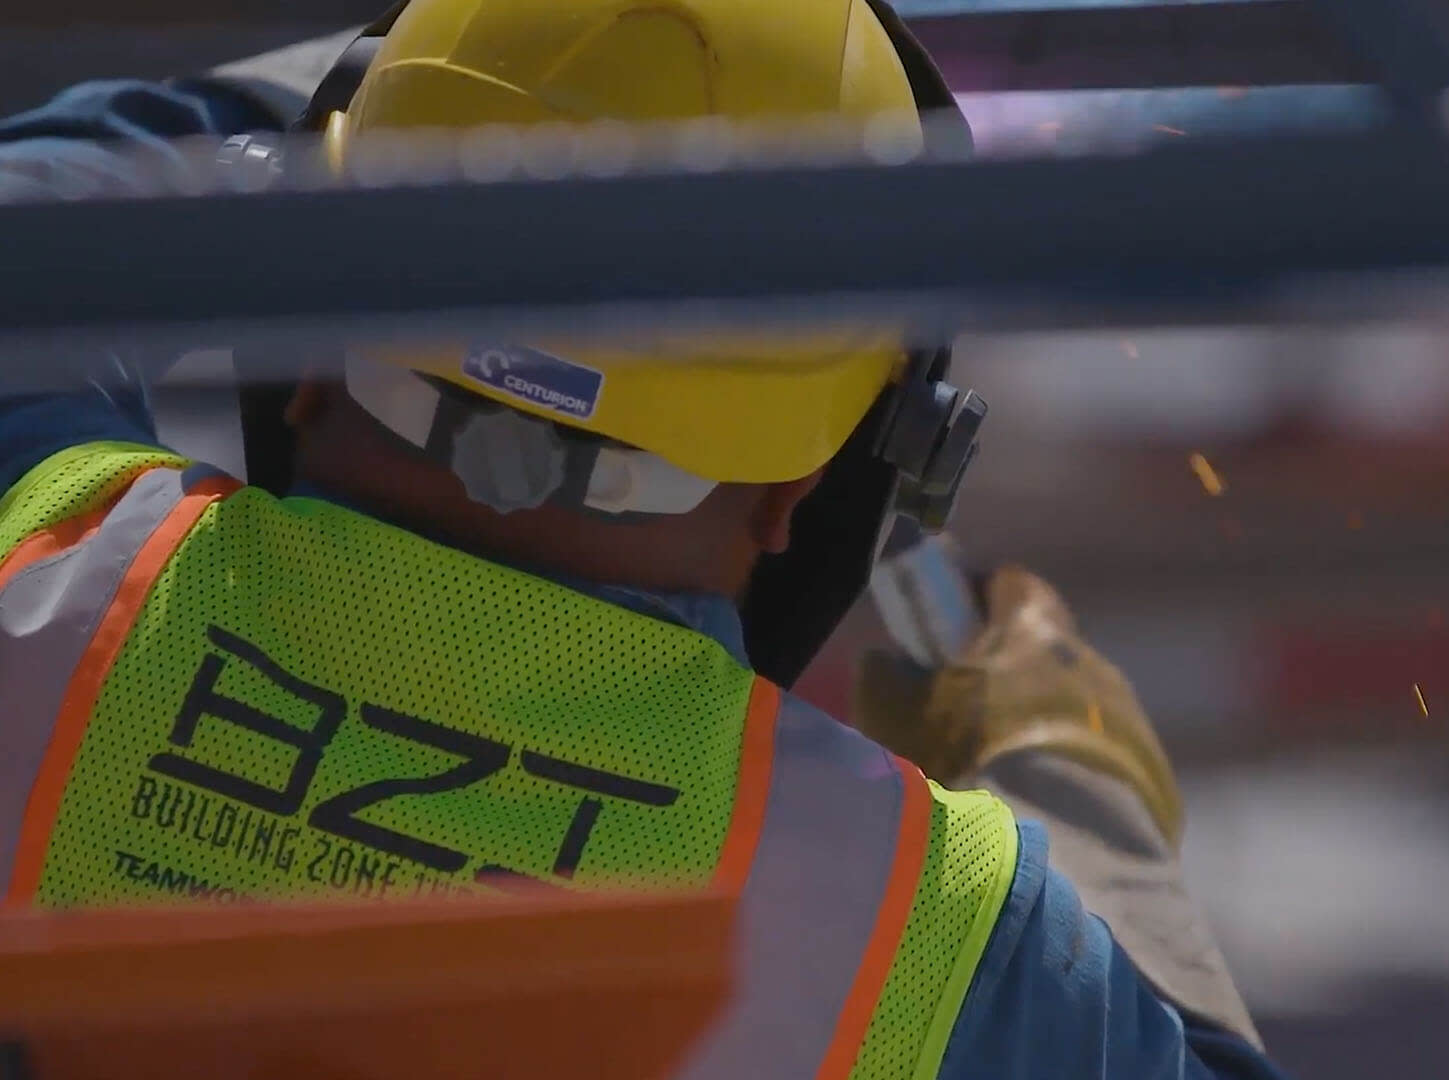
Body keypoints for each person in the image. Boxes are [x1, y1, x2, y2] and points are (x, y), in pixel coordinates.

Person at [0, 1, 1280, 1077]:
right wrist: (1079, 796)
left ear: (311, 327)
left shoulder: (46, 581)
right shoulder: (917, 928)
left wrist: (403, 103)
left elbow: (43, 214)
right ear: (803, 490)